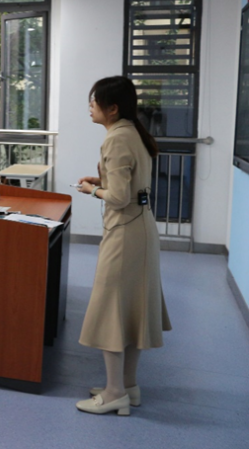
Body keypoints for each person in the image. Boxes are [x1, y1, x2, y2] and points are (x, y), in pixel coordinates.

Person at [74, 76, 171, 416]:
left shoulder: (116, 139)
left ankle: (114, 393)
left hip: (124, 231)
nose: (90, 106)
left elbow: (117, 197)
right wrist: (102, 180)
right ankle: (128, 386)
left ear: (112, 108)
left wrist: (93, 190)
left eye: (94, 101)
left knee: (112, 311)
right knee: (131, 310)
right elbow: (130, 185)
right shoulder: (133, 133)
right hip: (141, 227)